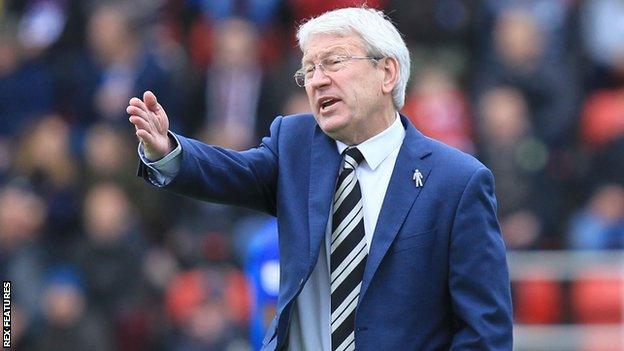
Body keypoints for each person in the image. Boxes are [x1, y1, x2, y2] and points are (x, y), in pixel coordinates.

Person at [127, 7, 512, 350]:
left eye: (333, 62)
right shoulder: (294, 145)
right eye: (308, 69)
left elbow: (485, 332)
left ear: (387, 72)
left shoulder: (458, 181)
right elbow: (231, 172)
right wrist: (168, 151)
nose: (316, 81)